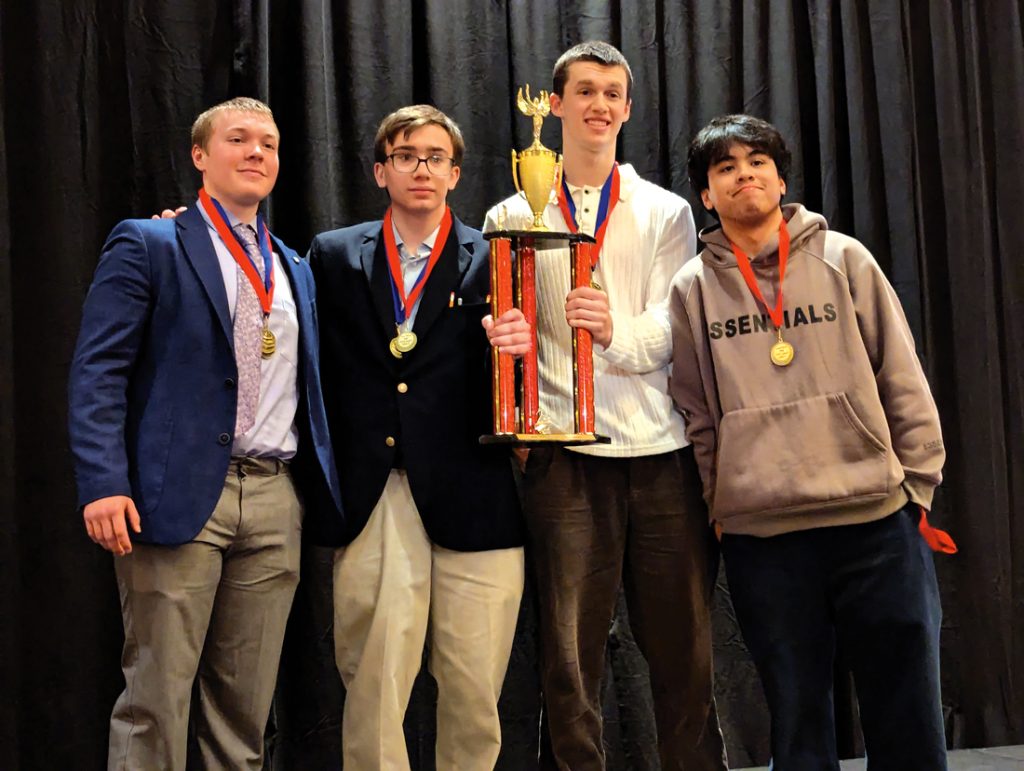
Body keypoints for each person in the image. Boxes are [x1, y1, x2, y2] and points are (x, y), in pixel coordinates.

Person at [671, 113, 956, 770]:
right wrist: (721, 500)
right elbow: (697, 411)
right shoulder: (692, 288)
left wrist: (916, 485)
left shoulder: (842, 258)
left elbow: (900, 372)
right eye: (725, 167)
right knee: (796, 715)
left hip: (874, 520)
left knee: (905, 707)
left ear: (781, 179)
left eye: (758, 162)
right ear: (707, 195)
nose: (744, 174)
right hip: (763, 536)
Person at [67, 97, 342, 770]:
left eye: (268, 143)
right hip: (177, 495)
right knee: (155, 700)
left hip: (275, 497)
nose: (256, 152)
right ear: (199, 155)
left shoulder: (294, 267)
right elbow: (99, 370)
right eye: (238, 139)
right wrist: (103, 482)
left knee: (243, 717)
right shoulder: (150, 243)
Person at [484, 41, 727, 771]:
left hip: (660, 454)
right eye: (584, 91)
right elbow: (509, 335)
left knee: (685, 651)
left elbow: (672, 328)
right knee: (567, 658)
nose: (598, 104)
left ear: (627, 109)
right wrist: (505, 349)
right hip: (563, 457)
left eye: (612, 93)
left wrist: (614, 331)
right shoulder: (510, 213)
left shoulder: (666, 211)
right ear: (555, 105)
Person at [307, 104, 527, 771]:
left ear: (456, 173)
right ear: (381, 171)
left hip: (476, 493)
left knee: (475, 691)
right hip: (376, 494)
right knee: (374, 685)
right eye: (405, 156)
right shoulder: (332, 255)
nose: (421, 168)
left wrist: (520, 351)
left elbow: (529, 379)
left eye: (435, 157)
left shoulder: (497, 258)